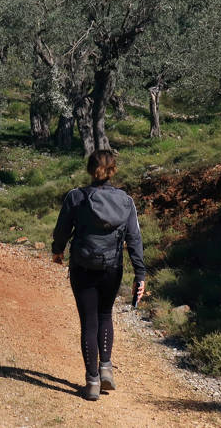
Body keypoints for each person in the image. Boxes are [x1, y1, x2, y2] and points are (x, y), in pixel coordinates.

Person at [51, 149, 146, 401]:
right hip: (112, 268)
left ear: (89, 169)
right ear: (113, 170)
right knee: (105, 315)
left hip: (83, 267)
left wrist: (57, 252)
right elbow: (134, 238)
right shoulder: (126, 201)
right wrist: (141, 273)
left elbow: (62, 230)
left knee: (89, 322)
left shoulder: (76, 197)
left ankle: (92, 382)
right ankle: (106, 368)